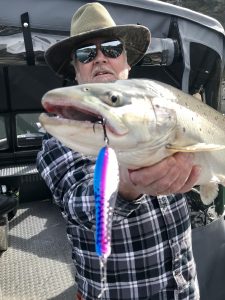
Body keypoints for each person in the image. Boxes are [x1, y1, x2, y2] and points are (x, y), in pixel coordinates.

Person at [37, 2, 201, 299]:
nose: (100, 58)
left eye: (111, 48)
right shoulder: (61, 138)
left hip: (184, 288)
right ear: (75, 72)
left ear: (126, 62)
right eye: (85, 54)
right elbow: (80, 204)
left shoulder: (168, 112)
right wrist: (126, 182)